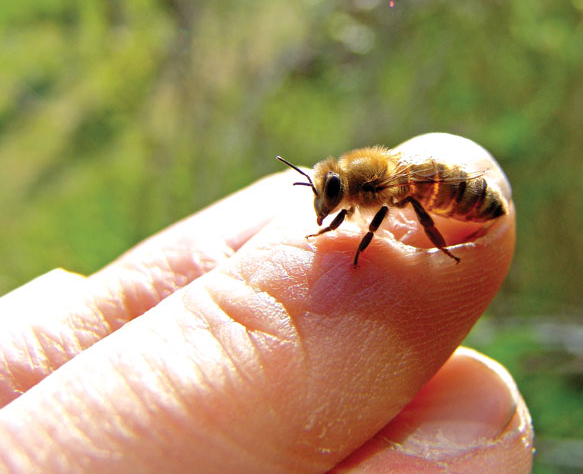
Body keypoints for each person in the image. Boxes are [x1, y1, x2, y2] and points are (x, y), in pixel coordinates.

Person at [0, 133, 533, 472]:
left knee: (417, 209)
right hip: (440, 183)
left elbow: (387, 215)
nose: (324, 204)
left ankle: (448, 248)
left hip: (455, 193)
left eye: (327, 198)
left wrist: (387, 250)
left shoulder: (378, 184)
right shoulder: (364, 181)